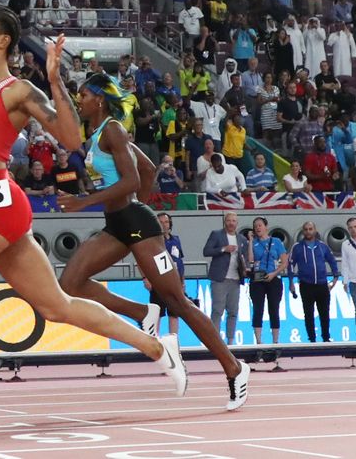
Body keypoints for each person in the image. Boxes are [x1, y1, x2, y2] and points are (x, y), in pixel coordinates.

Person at [0, 9, 188, 437]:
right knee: (56, 306)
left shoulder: (17, 90)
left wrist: (55, 78)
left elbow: (71, 139)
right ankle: (157, 346)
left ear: (3, 41)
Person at [56, 72, 247, 410]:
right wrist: (134, 205)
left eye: (83, 95)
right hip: (119, 224)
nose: (79, 100)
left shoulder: (112, 129)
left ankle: (234, 368)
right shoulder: (102, 132)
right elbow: (147, 169)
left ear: (99, 99)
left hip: (138, 226)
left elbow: (130, 180)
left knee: (179, 303)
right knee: (70, 282)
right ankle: (142, 311)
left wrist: (90, 201)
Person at [287, 222, 339, 343]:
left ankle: (326, 338)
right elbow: (290, 265)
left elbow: (332, 261)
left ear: (315, 230)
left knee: (324, 313)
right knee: (308, 314)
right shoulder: (297, 247)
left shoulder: (322, 246)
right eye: (306, 229)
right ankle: (312, 339)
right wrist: (291, 281)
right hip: (306, 285)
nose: (308, 231)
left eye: (310, 229)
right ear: (303, 231)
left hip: (322, 284)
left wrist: (335, 277)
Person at [203, 212, 248, 345]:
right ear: (225, 222)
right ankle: (215, 341)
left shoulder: (241, 239)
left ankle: (230, 341)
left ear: (237, 223)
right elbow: (206, 251)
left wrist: (245, 269)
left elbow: (244, 257)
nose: (231, 223)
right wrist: (223, 249)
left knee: (233, 311)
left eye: (234, 221)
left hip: (235, 279)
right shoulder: (216, 234)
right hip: (220, 279)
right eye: (229, 220)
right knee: (217, 310)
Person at [144, 212, 193, 335]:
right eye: (160, 222)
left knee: (174, 313)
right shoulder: (151, 241)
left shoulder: (175, 239)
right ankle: (154, 341)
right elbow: (142, 260)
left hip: (174, 282)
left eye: (166, 222)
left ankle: (173, 341)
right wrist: (146, 278)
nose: (164, 225)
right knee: (157, 313)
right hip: (158, 281)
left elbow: (180, 261)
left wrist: (182, 281)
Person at [247, 217, 289, 344]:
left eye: (260, 225)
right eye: (256, 226)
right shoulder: (254, 243)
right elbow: (250, 260)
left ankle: (275, 341)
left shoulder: (276, 242)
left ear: (266, 227)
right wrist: (250, 241)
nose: (258, 228)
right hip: (258, 279)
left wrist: (274, 273)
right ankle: (259, 341)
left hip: (273, 278)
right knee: (258, 309)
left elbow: (284, 262)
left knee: (274, 309)